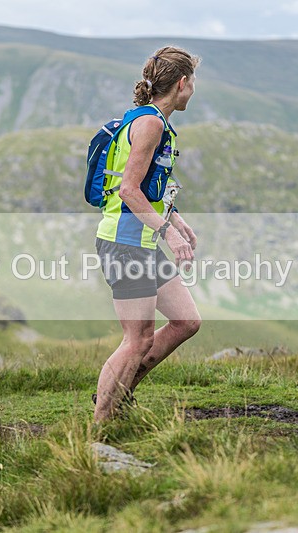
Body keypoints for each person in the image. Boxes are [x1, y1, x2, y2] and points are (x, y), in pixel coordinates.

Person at [93, 46, 202, 422]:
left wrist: (175, 220)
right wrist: (169, 235)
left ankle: (119, 394)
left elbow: (149, 187)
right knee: (136, 339)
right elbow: (128, 190)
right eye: (194, 83)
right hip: (124, 242)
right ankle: (100, 428)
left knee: (186, 321)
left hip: (140, 242)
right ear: (182, 83)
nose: (194, 91)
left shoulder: (151, 120)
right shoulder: (151, 124)